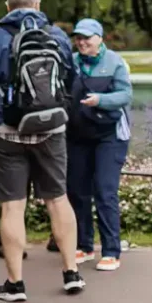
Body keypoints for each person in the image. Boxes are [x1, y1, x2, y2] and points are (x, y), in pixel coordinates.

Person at [0, 0, 84, 302]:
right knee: (58, 199)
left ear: (8, 6)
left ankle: (15, 283)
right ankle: (71, 272)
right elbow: (72, 82)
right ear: (38, 4)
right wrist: (61, 118)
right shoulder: (58, 36)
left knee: (12, 206)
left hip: (6, 131)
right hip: (50, 130)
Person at [64, 18, 133, 270]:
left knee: (104, 191)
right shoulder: (70, 62)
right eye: (78, 38)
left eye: (87, 38)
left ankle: (111, 250)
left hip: (110, 135)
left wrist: (100, 100)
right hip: (78, 134)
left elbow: (125, 95)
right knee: (77, 191)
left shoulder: (115, 62)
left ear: (100, 39)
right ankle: (84, 246)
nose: (81, 42)